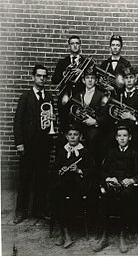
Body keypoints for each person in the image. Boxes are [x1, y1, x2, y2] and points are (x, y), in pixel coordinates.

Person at [13, 64, 55, 223]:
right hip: (28, 145)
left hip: (44, 144)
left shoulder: (49, 97)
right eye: (39, 76)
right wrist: (19, 143)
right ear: (33, 77)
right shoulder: (25, 96)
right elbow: (18, 122)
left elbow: (50, 117)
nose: (42, 79)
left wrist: (52, 120)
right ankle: (21, 211)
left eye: (44, 76)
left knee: (42, 179)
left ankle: (39, 210)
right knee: (25, 178)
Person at [93, 125, 138, 253]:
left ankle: (122, 235)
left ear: (130, 137)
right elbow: (103, 171)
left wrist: (131, 180)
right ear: (116, 138)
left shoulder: (134, 153)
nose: (122, 138)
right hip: (113, 184)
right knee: (104, 199)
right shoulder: (111, 152)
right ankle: (104, 236)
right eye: (119, 136)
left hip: (126, 186)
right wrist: (109, 178)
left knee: (126, 198)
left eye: (125, 136)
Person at [51, 124, 94, 248]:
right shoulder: (62, 151)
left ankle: (64, 233)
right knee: (56, 196)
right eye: (70, 135)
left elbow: (92, 170)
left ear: (80, 137)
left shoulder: (85, 152)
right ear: (66, 137)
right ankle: (65, 233)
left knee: (69, 200)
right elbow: (53, 170)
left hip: (79, 184)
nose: (72, 137)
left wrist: (78, 170)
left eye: (75, 135)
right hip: (63, 183)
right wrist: (60, 170)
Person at [69, 66, 108, 168]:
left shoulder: (102, 95)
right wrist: (77, 114)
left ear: (96, 80)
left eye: (92, 78)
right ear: (83, 80)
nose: (90, 80)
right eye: (87, 78)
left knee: (92, 139)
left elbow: (106, 116)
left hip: (95, 129)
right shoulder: (78, 95)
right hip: (81, 128)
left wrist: (95, 121)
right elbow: (74, 112)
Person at [52, 35, 85, 132]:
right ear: (69, 46)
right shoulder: (62, 62)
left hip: (80, 98)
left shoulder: (85, 62)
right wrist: (64, 74)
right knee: (64, 123)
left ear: (80, 45)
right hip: (64, 98)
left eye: (77, 43)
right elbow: (54, 80)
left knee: (80, 124)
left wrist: (82, 74)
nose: (75, 46)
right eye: (72, 44)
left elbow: (92, 81)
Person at [113, 66, 138, 149]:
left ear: (135, 79)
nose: (129, 80)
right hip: (119, 130)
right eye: (126, 78)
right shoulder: (117, 94)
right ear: (123, 80)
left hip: (135, 130)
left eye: (131, 77)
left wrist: (133, 118)